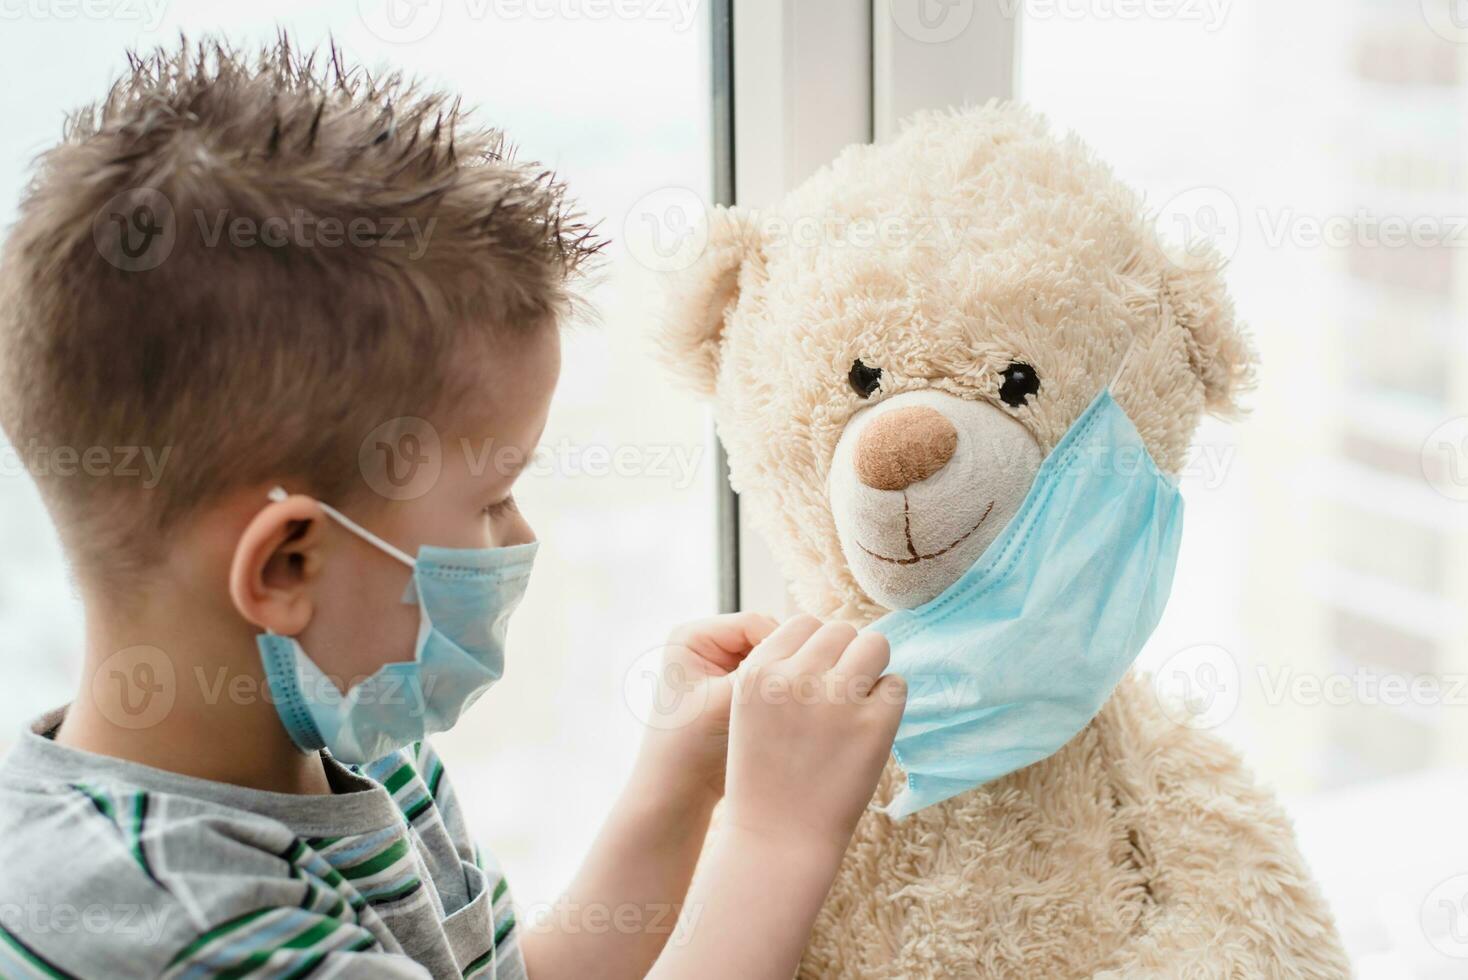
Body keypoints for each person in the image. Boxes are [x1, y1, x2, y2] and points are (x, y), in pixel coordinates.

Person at [0, 37, 904, 980]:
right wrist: (774, 838)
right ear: (286, 565)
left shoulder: (362, 748)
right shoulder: (165, 919)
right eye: (494, 496)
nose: (520, 538)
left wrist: (683, 784)